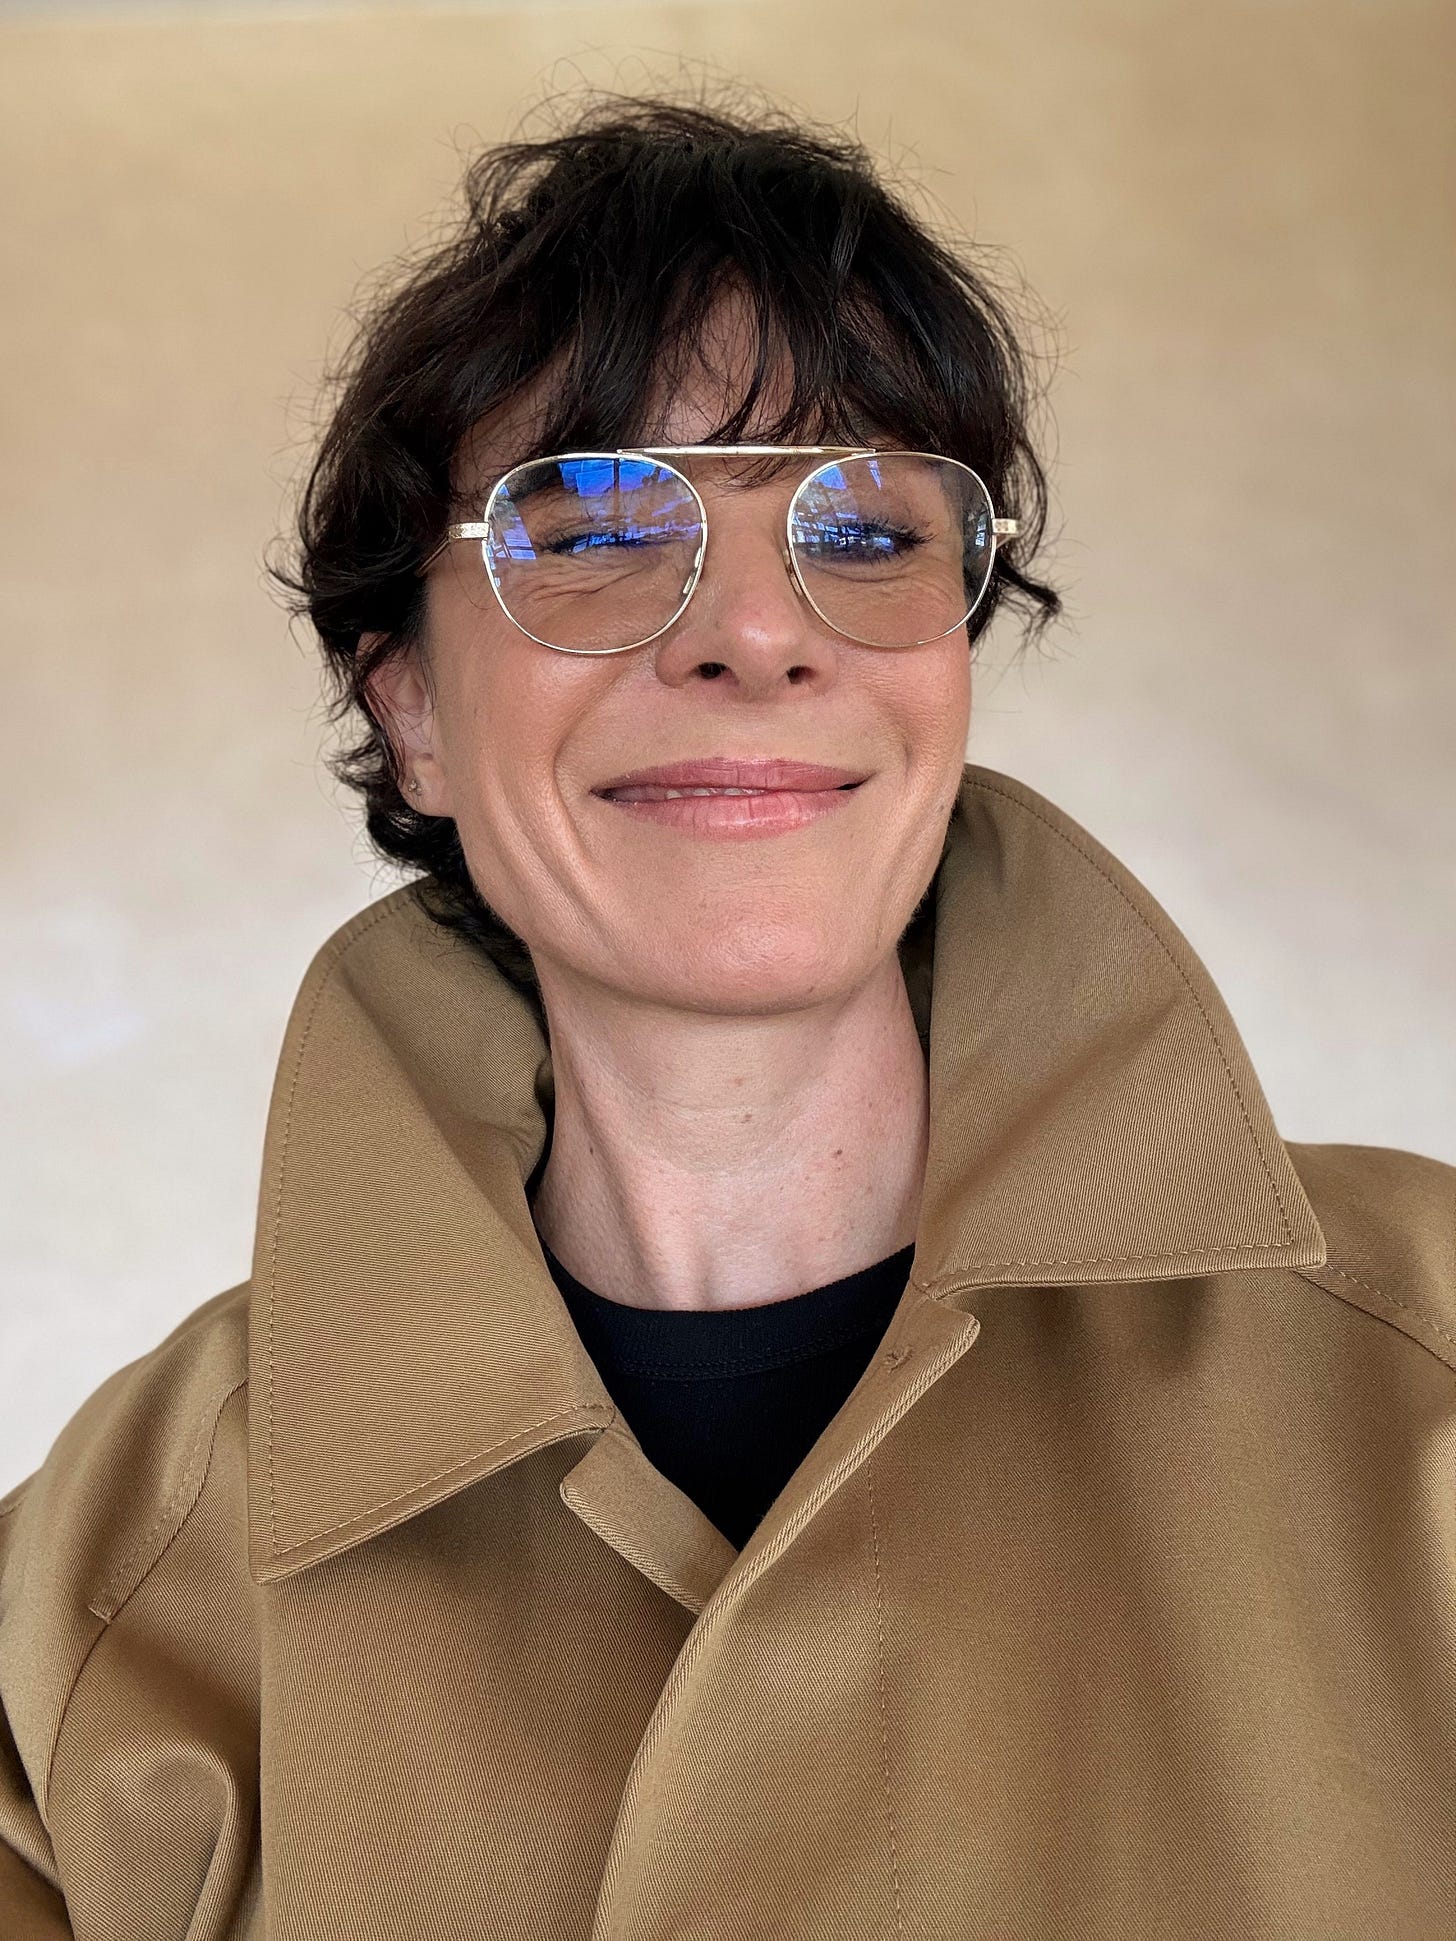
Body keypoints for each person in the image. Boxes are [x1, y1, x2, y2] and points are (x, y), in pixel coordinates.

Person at [1, 92, 1451, 1941]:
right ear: (409, 708)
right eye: (600, 518)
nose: (758, 631)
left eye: (864, 527)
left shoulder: (1430, 1381)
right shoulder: (90, 1610)